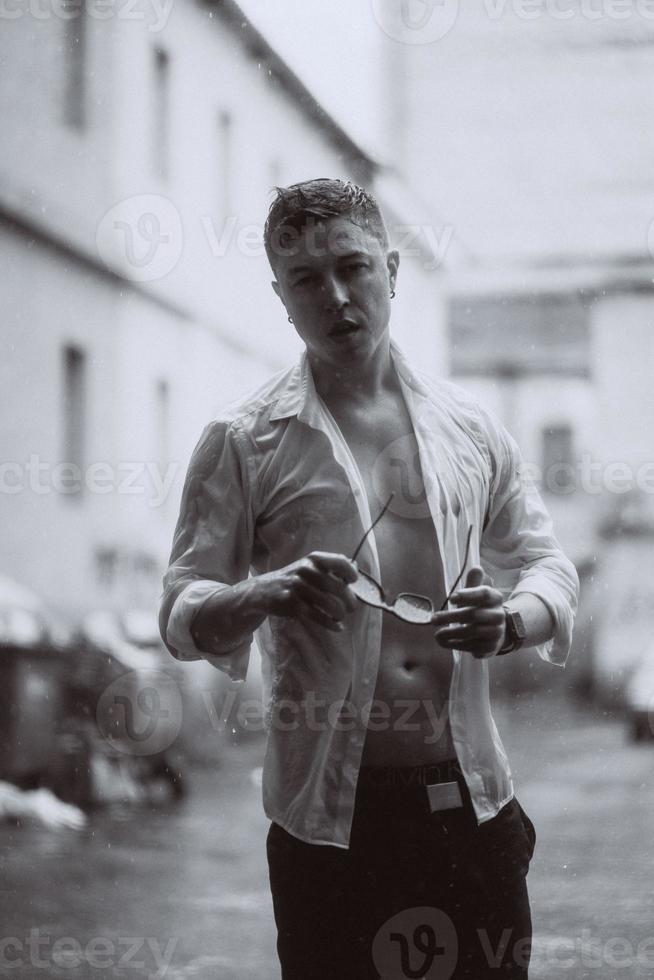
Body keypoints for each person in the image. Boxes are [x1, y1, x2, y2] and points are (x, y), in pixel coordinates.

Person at [159, 178, 579, 979]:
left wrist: (515, 620)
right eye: (307, 281)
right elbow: (182, 613)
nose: (337, 297)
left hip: (471, 807)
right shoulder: (246, 441)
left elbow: (546, 562)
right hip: (330, 826)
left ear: (391, 270)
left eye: (353, 268)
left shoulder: (471, 428)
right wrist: (264, 592)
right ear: (281, 300)